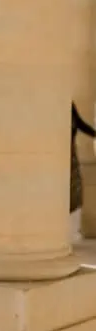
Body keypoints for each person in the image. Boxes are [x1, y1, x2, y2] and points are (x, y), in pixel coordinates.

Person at [70, 101, 96, 239]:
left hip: (71, 155)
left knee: (76, 191)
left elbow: (80, 124)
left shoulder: (69, 105)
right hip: (61, 155)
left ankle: (74, 230)